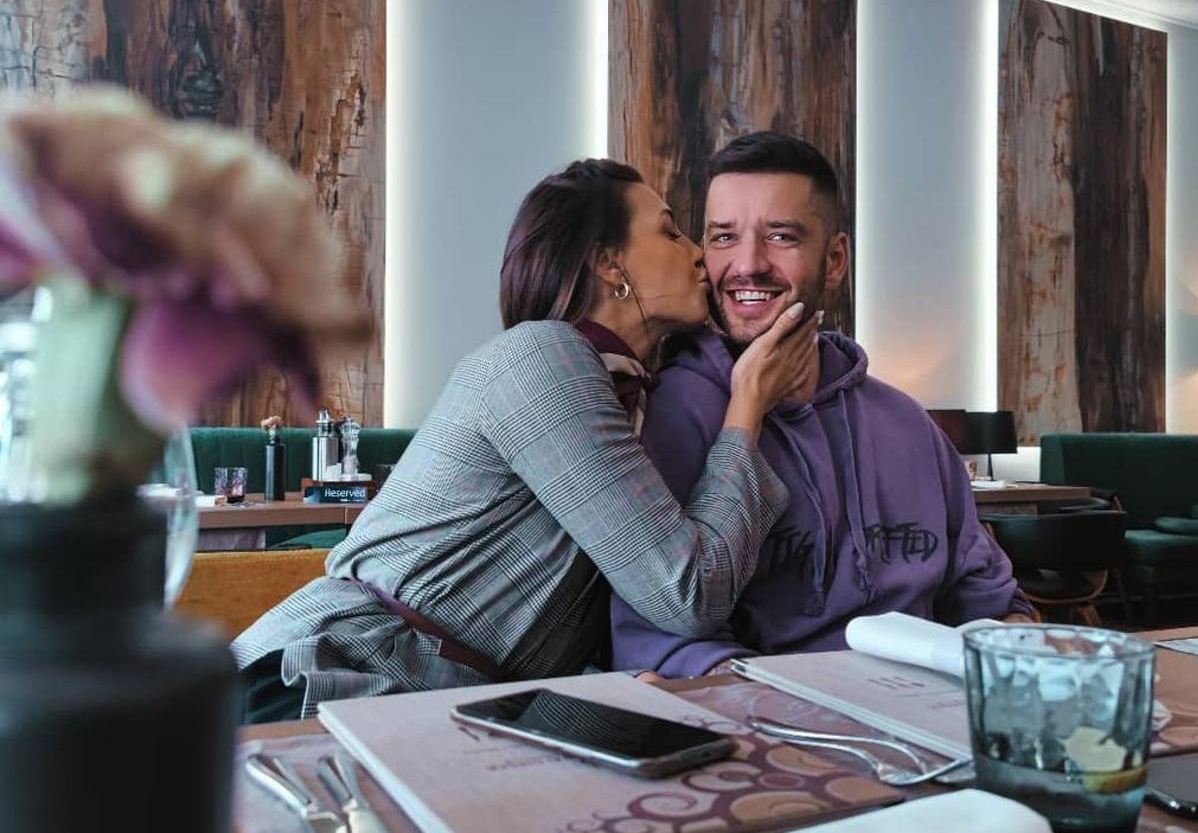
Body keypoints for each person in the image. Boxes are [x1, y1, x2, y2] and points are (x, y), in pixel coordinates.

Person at [230, 159, 818, 720]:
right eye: (670, 232)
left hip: (438, 702)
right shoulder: (544, 357)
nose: (697, 253)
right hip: (325, 676)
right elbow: (686, 594)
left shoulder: (632, 397)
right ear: (609, 263)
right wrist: (748, 407)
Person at [611, 133, 1032, 679]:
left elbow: (991, 603)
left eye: (780, 236)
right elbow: (659, 646)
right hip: (764, 717)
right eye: (724, 237)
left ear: (834, 260)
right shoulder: (669, 417)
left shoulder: (908, 423)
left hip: (928, 711)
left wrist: (1022, 660)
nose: (747, 265)